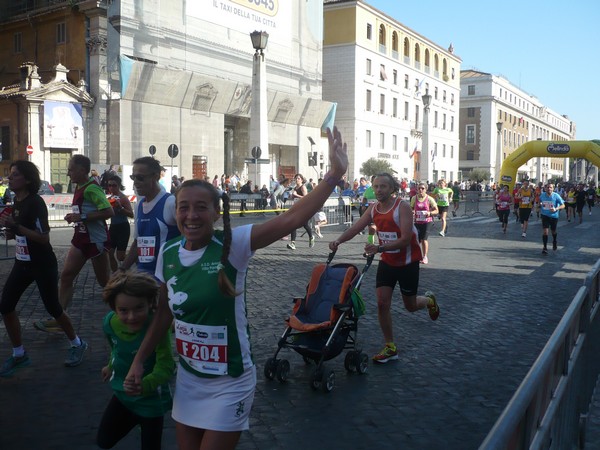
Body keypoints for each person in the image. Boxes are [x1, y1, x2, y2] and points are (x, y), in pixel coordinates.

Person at [123, 127, 347, 450]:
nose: (191, 215)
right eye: (184, 207)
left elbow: (292, 218)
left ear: (216, 213)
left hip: (230, 381)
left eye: (201, 207)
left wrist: (334, 175)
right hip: (189, 380)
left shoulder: (233, 245)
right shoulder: (168, 255)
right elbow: (164, 315)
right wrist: (138, 361)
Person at [329, 172, 439, 364]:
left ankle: (429, 301)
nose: (378, 190)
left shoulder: (402, 207)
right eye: (376, 186)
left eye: (383, 186)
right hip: (388, 262)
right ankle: (390, 347)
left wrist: (379, 247)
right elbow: (355, 228)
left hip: (408, 263)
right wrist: (338, 240)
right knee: (382, 303)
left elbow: (405, 240)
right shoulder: (373, 209)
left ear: (392, 189)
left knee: (410, 306)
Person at [0, 160, 87, 376]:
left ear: (27, 180)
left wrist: (16, 227)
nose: (9, 178)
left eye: (14, 175)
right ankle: (19, 354)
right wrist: (12, 232)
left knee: (53, 308)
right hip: (23, 262)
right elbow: (22, 232)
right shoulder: (16, 201)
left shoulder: (35, 203)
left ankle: (77, 343)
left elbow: (43, 238)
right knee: (6, 305)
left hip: (42, 264)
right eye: (10, 175)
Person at [35, 154, 114, 332]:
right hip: (80, 238)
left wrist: (82, 216)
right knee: (66, 276)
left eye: (71, 169)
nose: (68, 172)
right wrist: (74, 217)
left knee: (105, 283)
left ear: (81, 170)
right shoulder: (80, 186)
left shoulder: (92, 189)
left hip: (96, 240)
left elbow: (109, 212)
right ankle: (59, 318)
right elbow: (82, 212)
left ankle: (125, 310)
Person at [97, 270, 174, 450]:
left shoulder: (157, 328)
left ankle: (141, 419)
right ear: (113, 308)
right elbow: (116, 348)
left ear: (150, 304)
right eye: (123, 310)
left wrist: (145, 385)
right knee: (104, 441)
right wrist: (110, 366)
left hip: (151, 401)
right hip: (122, 395)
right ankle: (134, 418)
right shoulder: (109, 323)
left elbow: (167, 366)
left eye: (139, 308)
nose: (131, 317)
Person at [122, 157, 179, 276]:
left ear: (156, 177)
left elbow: (189, 238)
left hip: (166, 276)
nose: (135, 182)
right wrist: (122, 270)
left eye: (140, 177)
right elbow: (138, 242)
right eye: (133, 177)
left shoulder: (170, 202)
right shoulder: (139, 205)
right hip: (144, 274)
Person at [107, 175, 134, 272]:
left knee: (120, 257)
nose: (111, 188)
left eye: (114, 185)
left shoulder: (123, 198)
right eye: (109, 185)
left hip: (123, 227)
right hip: (113, 227)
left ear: (118, 185)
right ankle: (116, 275)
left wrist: (120, 208)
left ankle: (134, 258)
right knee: (109, 253)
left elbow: (131, 214)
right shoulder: (110, 198)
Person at [410, 182, 439, 264]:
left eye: (422, 188)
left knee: (424, 239)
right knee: (416, 240)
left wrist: (429, 213)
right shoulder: (414, 198)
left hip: (427, 222)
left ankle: (425, 256)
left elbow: (436, 210)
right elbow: (411, 208)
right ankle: (416, 255)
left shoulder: (429, 199)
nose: (420, 190)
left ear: (426, 189)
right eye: (419, 188)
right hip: (417, 221)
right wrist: (412, 212)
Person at [286, 173, 315, 250]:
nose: (297, 180)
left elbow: (306, 198)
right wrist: (291, 196)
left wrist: (296, 195)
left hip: (304, 209)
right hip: (297, 209)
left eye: (298, 178)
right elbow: (293, 198)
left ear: (302, 180)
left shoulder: (303, 187)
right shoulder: (295, 188)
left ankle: (311, 237)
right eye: (296, 178)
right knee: (293, 225)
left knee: (305, 225)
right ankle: (293, 243)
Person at [539, 183, 565, 255]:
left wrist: (556, 208)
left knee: (553, 231)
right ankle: (545, 247)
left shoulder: (556, 196)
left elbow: (563, 205)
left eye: (550, 187)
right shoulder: (542, 195)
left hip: (554, 216)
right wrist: (540, 204)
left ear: (553, 189)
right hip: (544, 215)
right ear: (545, 188)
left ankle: (554, 241)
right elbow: (540, 202)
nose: (549, 189)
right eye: (548, 187)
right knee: (545, 232)